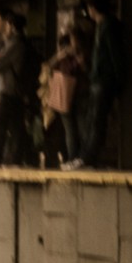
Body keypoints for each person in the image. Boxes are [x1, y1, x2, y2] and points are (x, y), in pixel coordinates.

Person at [71, 0, 125, 170]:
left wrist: (118, 80)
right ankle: (86, 156)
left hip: (104, 80)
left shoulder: (108, 26)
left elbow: (115, 54)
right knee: (93, 119)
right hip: (100, 79)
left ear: (93, 8)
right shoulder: (103, 25)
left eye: (88, 8)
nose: (88, 12)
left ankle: (87, 157)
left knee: (95, 120)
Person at [0, 11, 27, 166]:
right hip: (14, 90)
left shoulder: (15, 44)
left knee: (2, 126)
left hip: (9, 90)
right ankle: (17, 157)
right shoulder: (13, 43)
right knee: (16, 126)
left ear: (11, 26)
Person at [48, 31, 87, 166]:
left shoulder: (68, 58)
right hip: (75, 95)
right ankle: (76, 158)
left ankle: (74, 158)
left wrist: (59, 57)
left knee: (73, 129)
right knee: (73, 129)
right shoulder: (69, 58)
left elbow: (50, 68)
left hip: (69, 96)